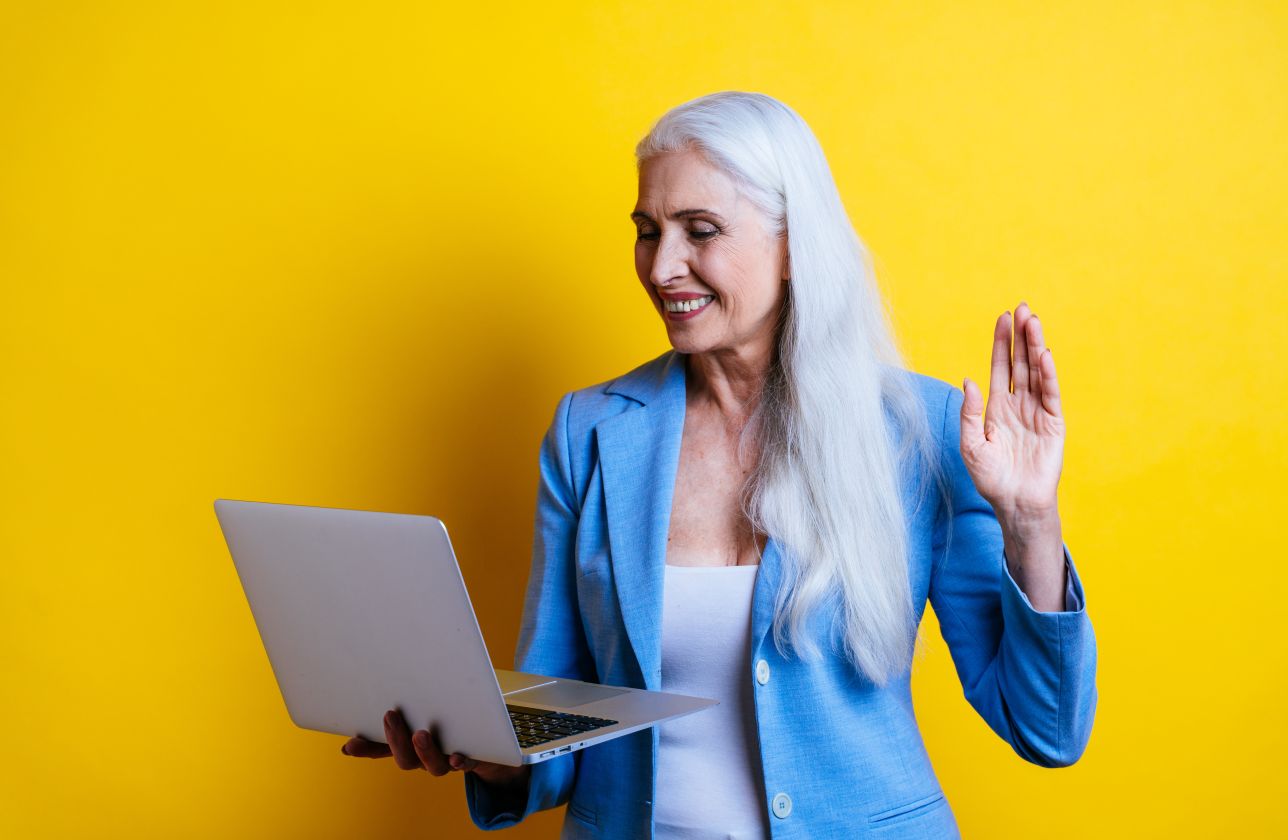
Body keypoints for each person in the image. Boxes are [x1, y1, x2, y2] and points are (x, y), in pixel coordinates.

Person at [342, 91, 1098, 838]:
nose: (663, 266)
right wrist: (482, 749)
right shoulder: (590, 434)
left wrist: (1030, 522)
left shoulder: (921, 431)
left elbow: (1046, 728)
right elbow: (558, 723)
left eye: (700, 231)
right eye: (647, 231)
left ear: (794, 246)